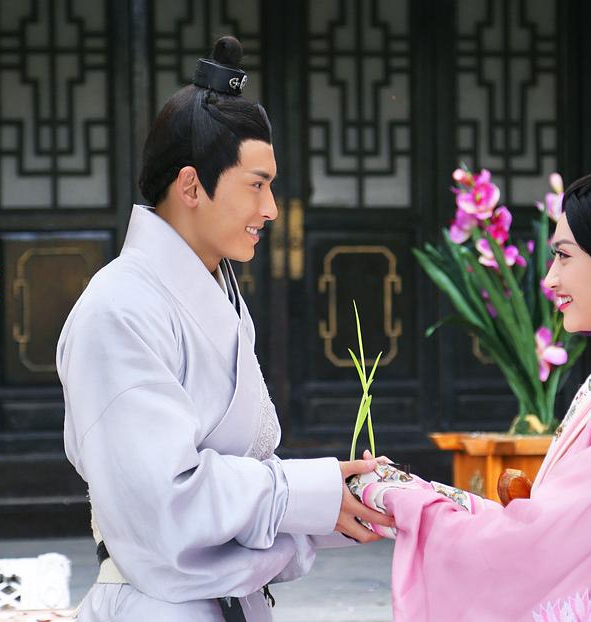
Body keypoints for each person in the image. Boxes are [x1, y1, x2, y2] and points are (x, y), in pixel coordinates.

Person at [353, 94, 591, 621]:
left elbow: (541, 542)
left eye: (563, 256)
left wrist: (405, 501)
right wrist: (411, 489)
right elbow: (555, 527)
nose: (549, 279)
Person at [57, 35, 392, 622]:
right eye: (256, 185)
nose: (272, 209)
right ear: (191, 186)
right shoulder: (118, 310)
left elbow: (242, 480)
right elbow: (165, 501)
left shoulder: (217, 293)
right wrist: (307, 495)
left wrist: (341, 499)